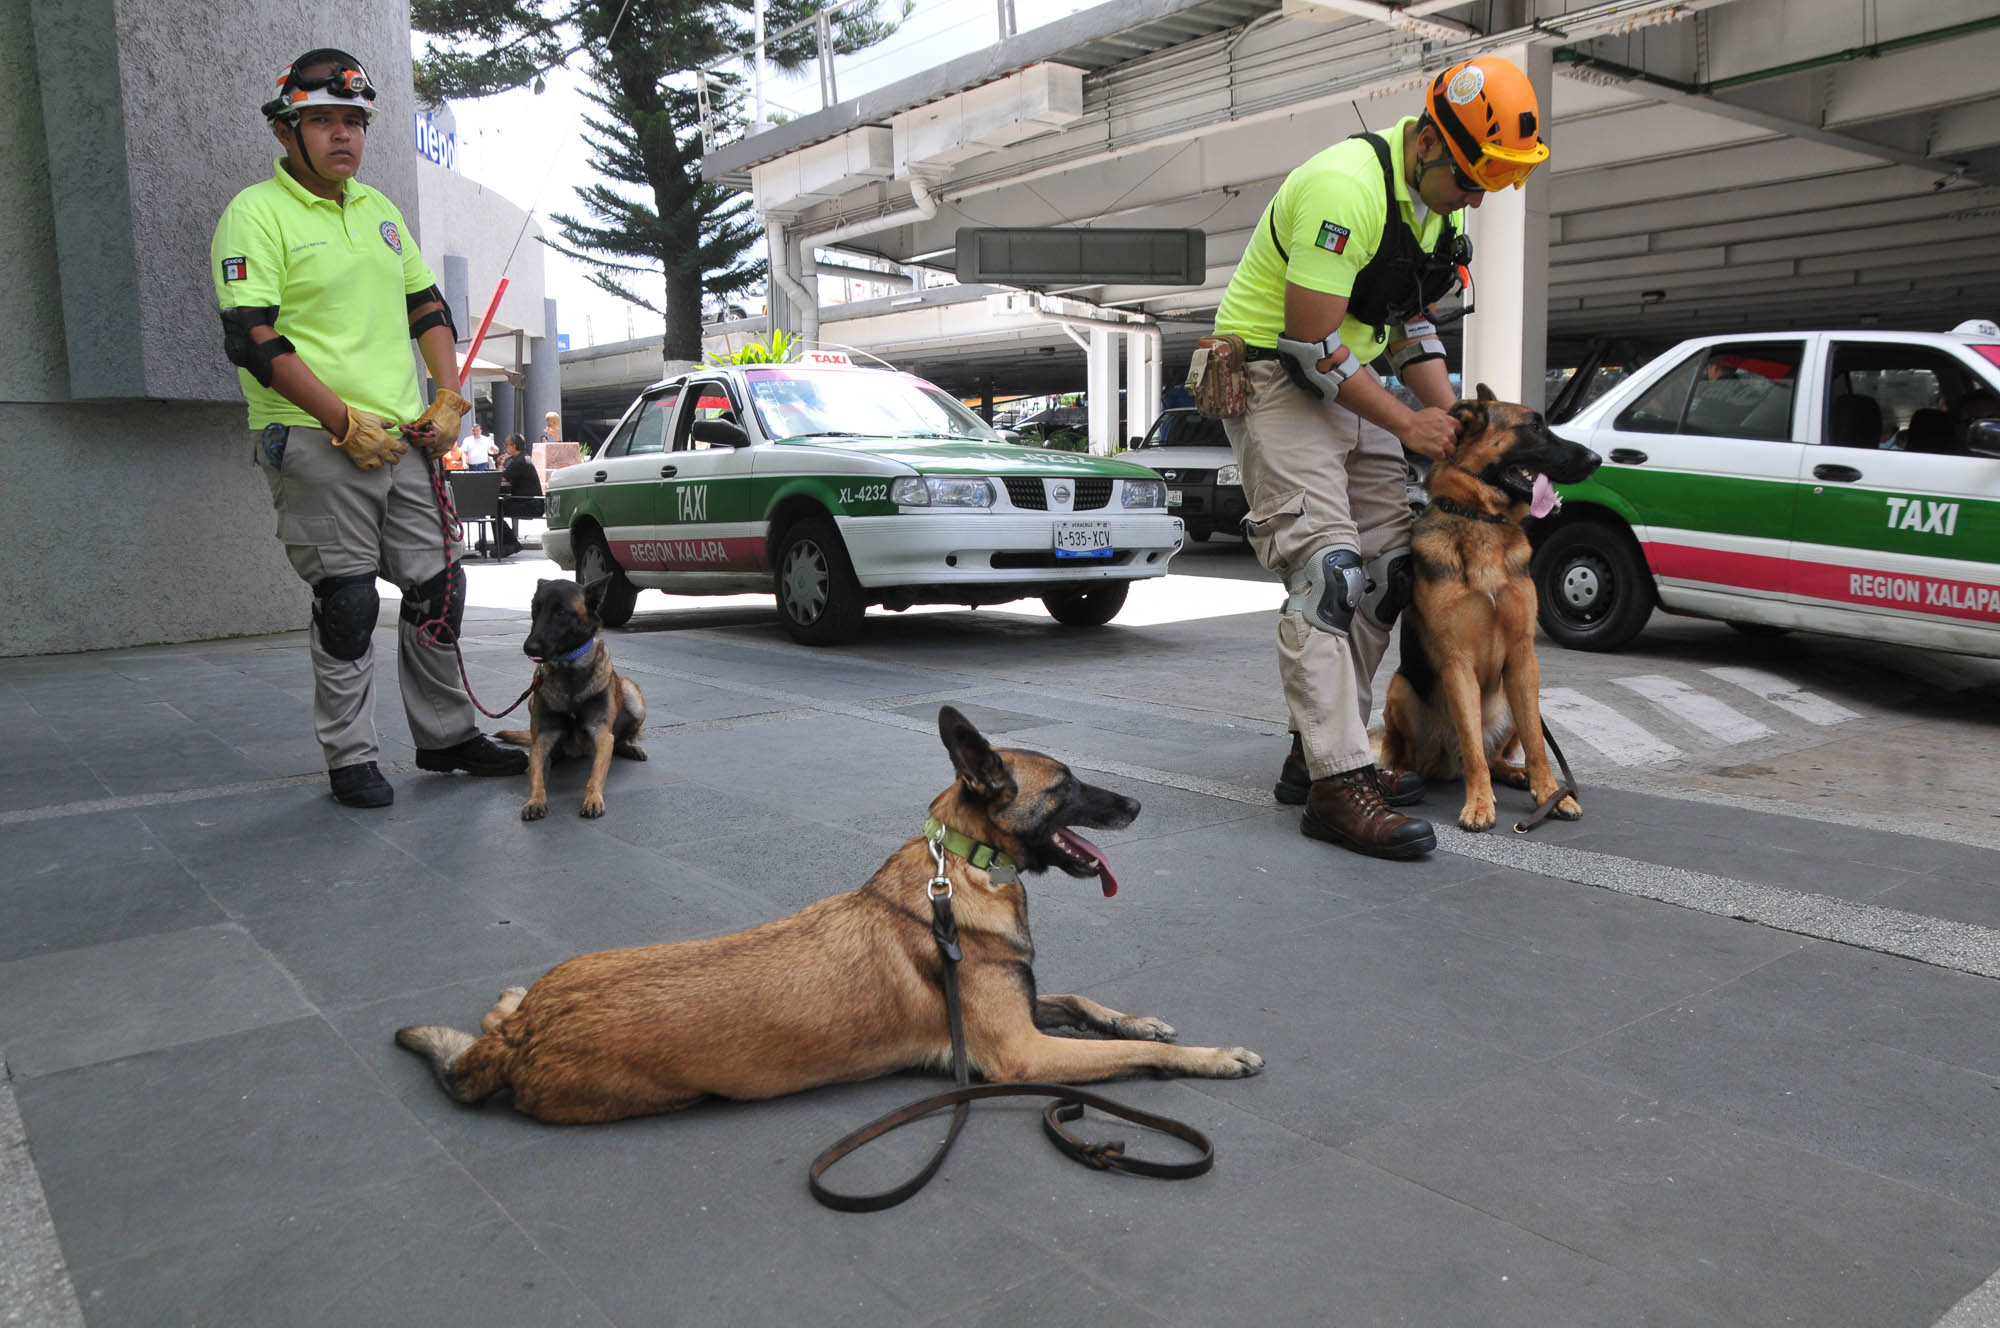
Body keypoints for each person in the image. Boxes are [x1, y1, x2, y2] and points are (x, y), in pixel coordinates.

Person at [1210, 56, 1549, 860]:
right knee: (1328, 572)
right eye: (1469, 182)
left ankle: (1321, 750)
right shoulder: (1345, 190)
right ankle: (1337, 783)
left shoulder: (1431, 213)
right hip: (1276, 374)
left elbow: (1409, 331)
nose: (1474, 201)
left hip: (1345, 377)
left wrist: (1450, 420)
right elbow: (1309, 337)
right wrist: (1408, 421)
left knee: (1392, 571)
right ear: (1430, 140)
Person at [210, 48, 527, 808]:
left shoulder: (380, 211)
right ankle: (351, 756)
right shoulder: (255, 213)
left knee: (440, 588)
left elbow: (428, 308)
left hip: (404, 439)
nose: (342, 135)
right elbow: (251, 337)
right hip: (314, 435)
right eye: (321, 120)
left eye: (353, 121)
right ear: (287, 131)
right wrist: (340, 418)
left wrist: (449, 397)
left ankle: (447, 737)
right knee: (349, 600)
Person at [495, 434, 543, 557]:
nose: (504, 447)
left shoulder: (520, 462)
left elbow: (500, 477)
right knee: (497, 506)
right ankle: (506, 544)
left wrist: (501, 462)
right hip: (529, 502)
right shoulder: (523, 458)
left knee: (495, 508)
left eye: (506, 445)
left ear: (514, 446)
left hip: (530, 504)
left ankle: (509, 544)